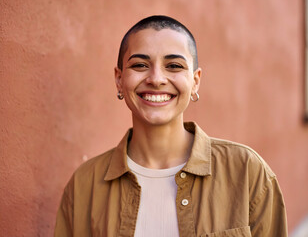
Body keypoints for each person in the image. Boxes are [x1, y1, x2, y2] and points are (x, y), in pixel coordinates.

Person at [54, 15, 287, 237]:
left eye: (174, 66)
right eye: (139, 65)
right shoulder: (85, 185)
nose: (156, 79)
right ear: (119, 79)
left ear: (195, 81)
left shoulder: (247, 172)